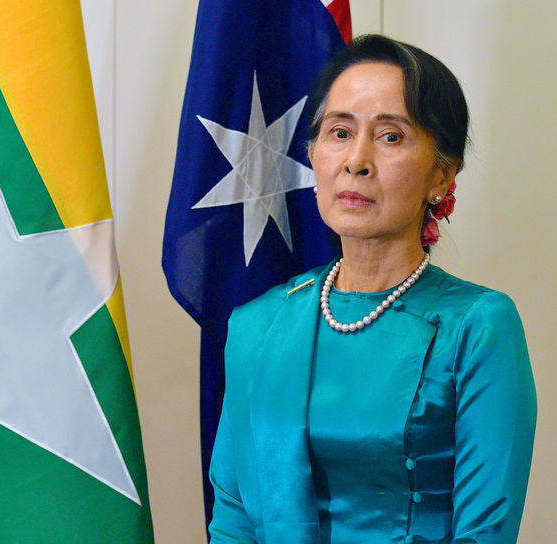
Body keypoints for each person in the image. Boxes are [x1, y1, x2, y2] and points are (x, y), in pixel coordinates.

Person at [208, 34, 537, 544]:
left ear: (442, 175)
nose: (356, 160)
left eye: (390, 137)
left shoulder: (477, 326)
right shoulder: (256, 326)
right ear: (313, 155)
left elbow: (485, 532)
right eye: (339, 132)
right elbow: (232, 522)